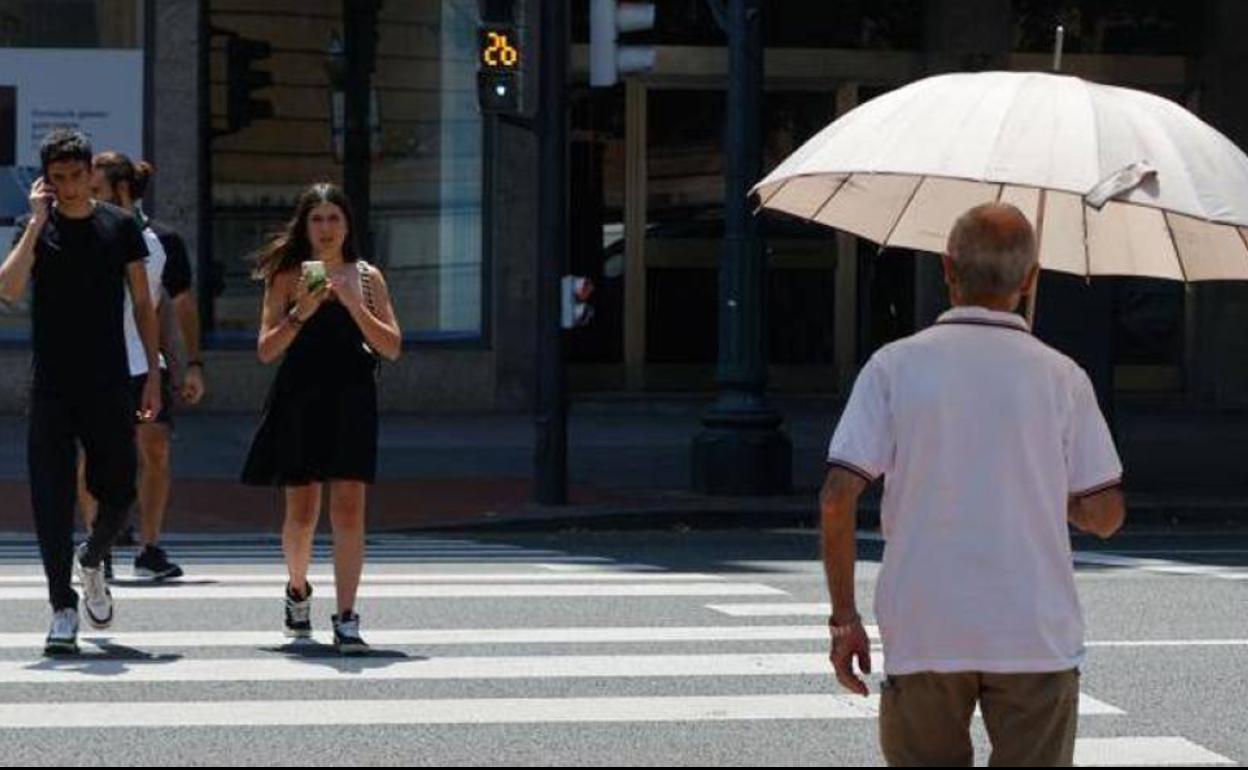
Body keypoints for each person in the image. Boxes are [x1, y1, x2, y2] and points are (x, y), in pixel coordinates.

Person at [819, 203, 1126, 767]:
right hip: (1035, 632)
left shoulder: (894, 366)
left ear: (947, 268)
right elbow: (1106, 515)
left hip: (925, 628)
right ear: (1030, 279)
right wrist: (1047, 488)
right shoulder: (1062, 377)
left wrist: (844, 618)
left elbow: (838, 496)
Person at [0, 129, 161, 655]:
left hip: (109, 380)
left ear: (91, 173)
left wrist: (153, 373)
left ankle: (91, 557)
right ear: (45, 180)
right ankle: (62, 608)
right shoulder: (36, 228)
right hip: (51, 384)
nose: (68, 186)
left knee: (120, 490)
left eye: (76, 175)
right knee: (50, 497)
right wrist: (35, 222)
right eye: (58, 178)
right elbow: (8, 290)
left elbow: (143, 304)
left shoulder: (119, 226)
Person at [241, 182, 401, 655]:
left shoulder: (367, 277)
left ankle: (347, 617)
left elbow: (392, 346)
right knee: (303, 512)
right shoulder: (286, 275)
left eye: (334, 218)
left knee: (349, 508)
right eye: (317, 219)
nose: (326, 228)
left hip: (352, 397)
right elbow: (266, 350)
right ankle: (297, 588)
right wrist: (301, 312)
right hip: (300, 397)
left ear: (348, 225)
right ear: (304, 225)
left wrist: (353, 303)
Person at [75, 152, 204, 581]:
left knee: (156, 448)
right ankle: (98, 545)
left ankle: (149, 548)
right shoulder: (85, 234)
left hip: (144, 362)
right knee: (94, 455)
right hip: (93, 364)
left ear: (122, 189)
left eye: (96, 189)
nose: (89, 197)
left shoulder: (162, 240)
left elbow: (177, 306)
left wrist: (192, 364)